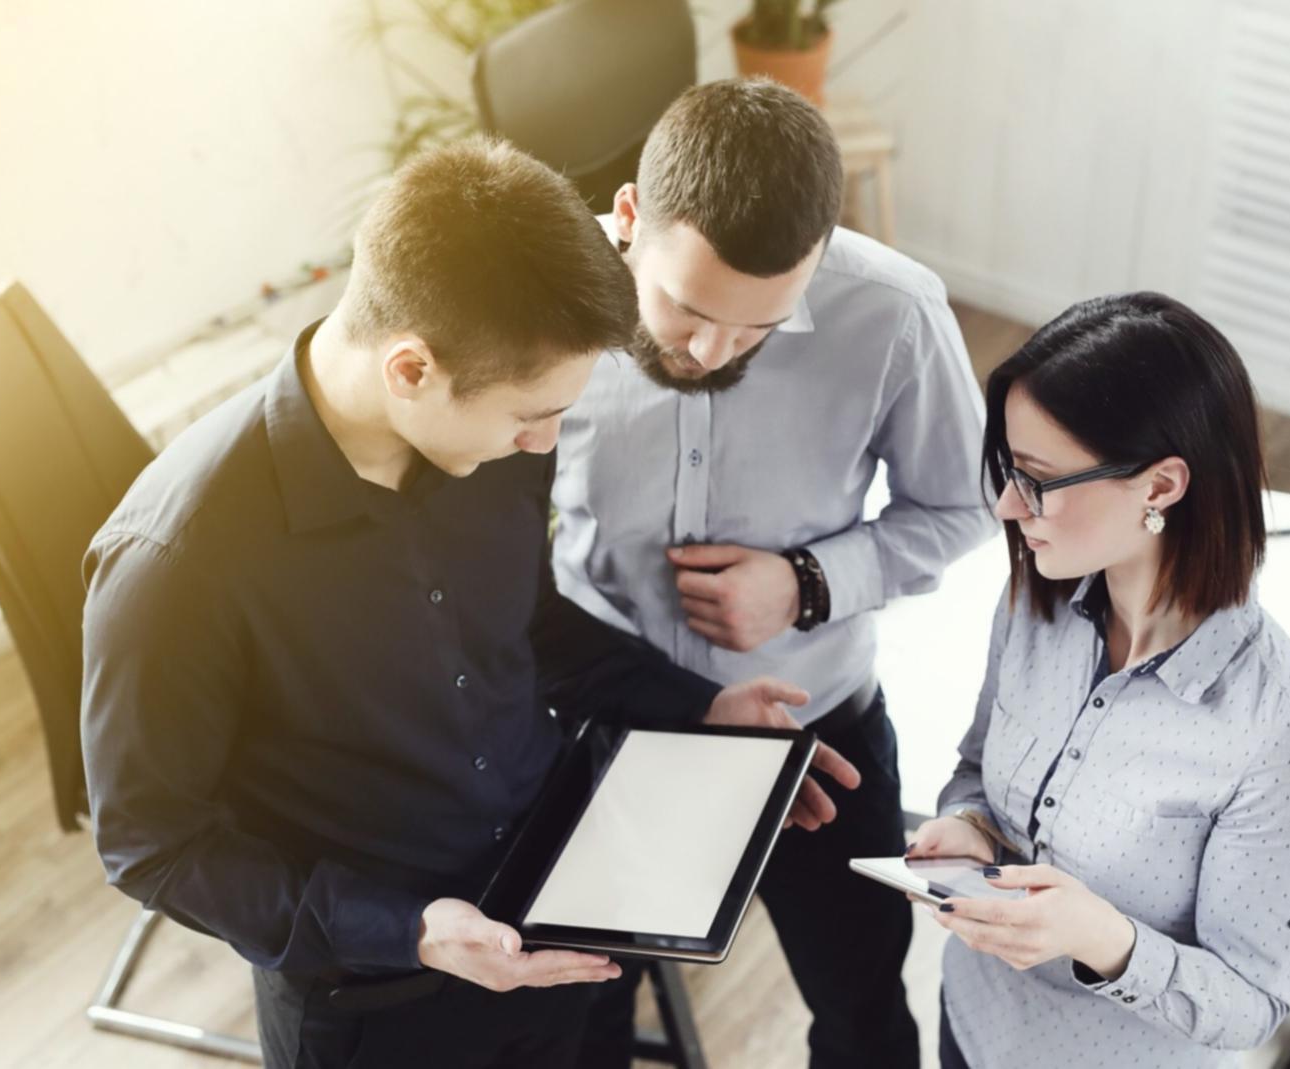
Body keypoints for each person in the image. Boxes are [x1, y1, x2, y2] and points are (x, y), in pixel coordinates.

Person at [80, 135, 856, 1069]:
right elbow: (151, 843)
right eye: (532, 415)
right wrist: (411, 929)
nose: (546, 443)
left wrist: (697, 704)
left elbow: (525, 623)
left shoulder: (490, 438)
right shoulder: (175, 559)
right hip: (381, 1000)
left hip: (564, 915)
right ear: (411, 369)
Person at [554, 79, 996, 1069]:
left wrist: (806, 582)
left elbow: (963, 505)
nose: (711, 352)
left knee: (862, 1014)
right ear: (626, 219)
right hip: (612, 733)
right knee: (579, 1016)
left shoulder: (891, 312)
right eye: (683, 308)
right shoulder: (546, 296)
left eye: (759, 327)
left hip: (818, 739)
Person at [908, 292, 1290, 1067]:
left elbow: (1252, 1001)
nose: (1011, 505)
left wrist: (1105, 940)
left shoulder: (1285, 732)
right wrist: (968, 826)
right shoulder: (1033, 599)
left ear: (1160, 486)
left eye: (1039, 478)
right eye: (1010, 469)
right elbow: (977, 771)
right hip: (971, 1029)